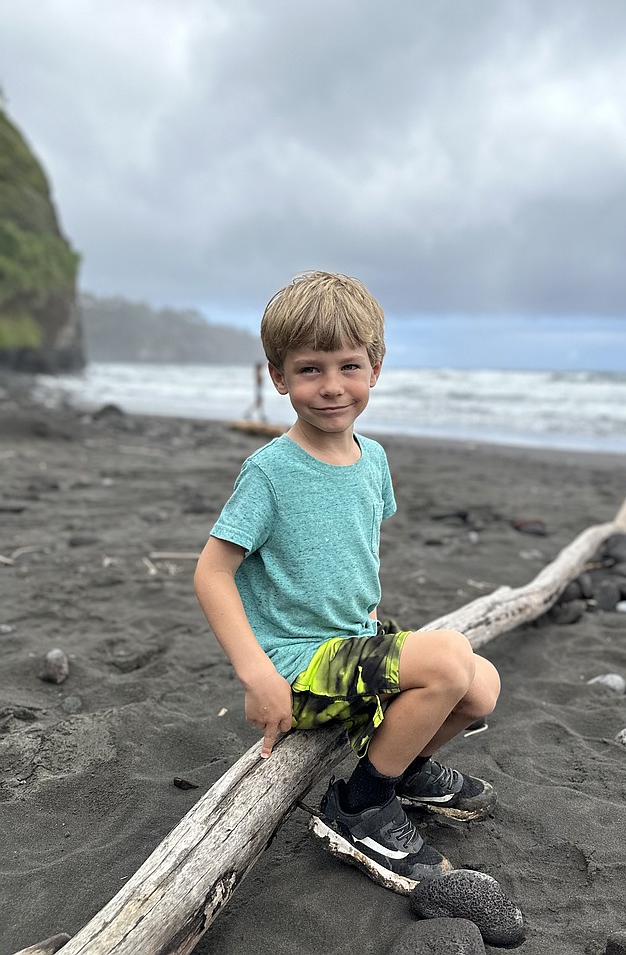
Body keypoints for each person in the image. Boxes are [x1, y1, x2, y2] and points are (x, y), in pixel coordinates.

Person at [194, 271, 500, 886]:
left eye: (348, 367)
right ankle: (360, 807)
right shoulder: (270, 472)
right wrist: (256, 675)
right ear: (279, 377)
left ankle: (403, 770)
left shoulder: (374, 457)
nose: (332, 388)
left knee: (481, 686)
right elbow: (212, 573)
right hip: (297, 665)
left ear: (375, 368)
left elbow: (350, 551)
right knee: (446, 660)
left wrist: (373, 631)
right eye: (310, 370)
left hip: (349, 643)